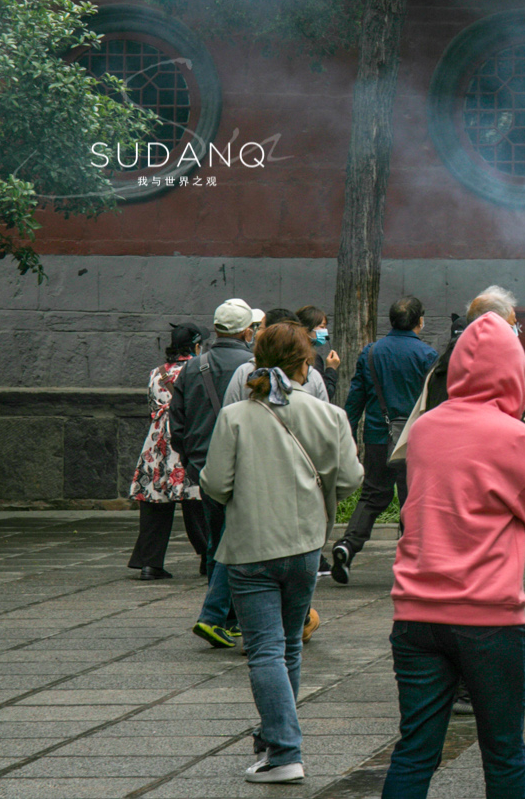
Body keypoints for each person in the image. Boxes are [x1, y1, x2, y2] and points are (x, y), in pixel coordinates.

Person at [379, 311, 525, 799]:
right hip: (488, 618)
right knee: (503, 751)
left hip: (415, 612)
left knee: (415, 749)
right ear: (514, 373)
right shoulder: (516, 437)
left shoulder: (425, 428)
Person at [199, 321, 364, 784]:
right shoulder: (329, 415)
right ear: (306, 362)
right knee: (289, 645)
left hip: (251, 547)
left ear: (257, 359)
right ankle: (277, 741)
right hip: (306, 544)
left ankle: (284, 751)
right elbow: (351, 480)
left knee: (266, 650)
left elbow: (214, 484)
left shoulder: (235, 417)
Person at [171, 297, 262, 648]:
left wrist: (191, 458)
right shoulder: (254, 366)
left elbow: (176, 423)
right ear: (246, 331)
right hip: (242, 465)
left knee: (216, 538)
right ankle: (223, 616)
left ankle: (222, 613)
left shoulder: (194, 367)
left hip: (201, 464)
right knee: (239, 541)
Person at [330, 296, 439, 584]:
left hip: (378, 436)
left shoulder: (371, 352)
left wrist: (349, 436)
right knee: (412, 498)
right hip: (415, 440)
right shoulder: (427, 356)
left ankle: (348, 546)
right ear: (419, 322)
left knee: (373, 494)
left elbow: (355, 400)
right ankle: (409, 561)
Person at [128, 322, 212, 580]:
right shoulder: (198, 371)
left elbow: (152, 405)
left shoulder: (156, 372)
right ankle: (209, 558)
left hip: (157, 443)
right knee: (197, 503)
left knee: (155, 504)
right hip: (185, 438)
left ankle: (149, 564)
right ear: (196, 345)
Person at [296, 305, 341, 402]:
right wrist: (331, 369)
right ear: (306, 328)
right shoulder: (312, 358)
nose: (324, 331)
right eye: (321, 327)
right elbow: (325, 392)